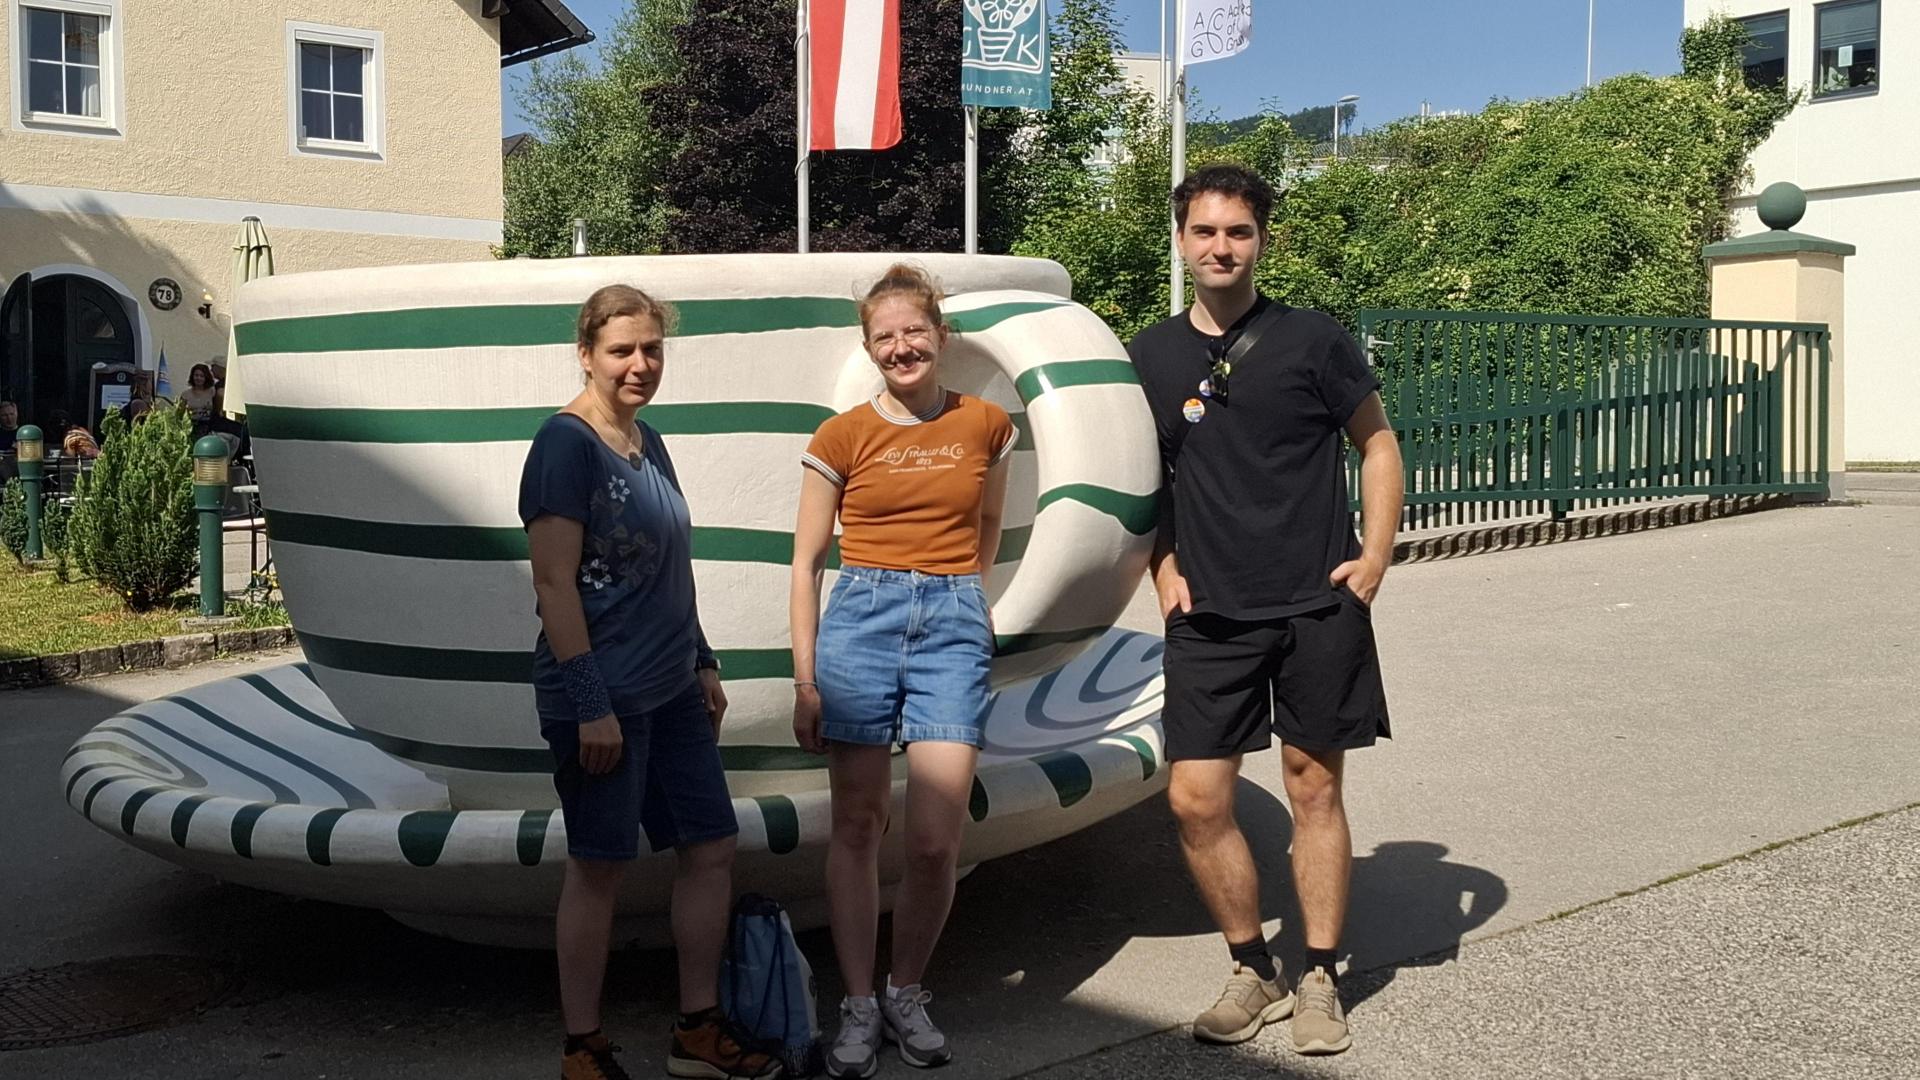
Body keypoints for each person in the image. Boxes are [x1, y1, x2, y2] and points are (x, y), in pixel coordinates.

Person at [1127, 163, 1404, 1057]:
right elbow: (1143, 481)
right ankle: (1254, 967)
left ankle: (1320, 973)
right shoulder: (1150, 356)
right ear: (1180, 239)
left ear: (1261, 241)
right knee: (1197, 797)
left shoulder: (1313, 339)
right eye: (1205, 231)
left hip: (1315, 605)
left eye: (1237, 232)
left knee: (1313, 786)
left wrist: (1374, 558)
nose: (1220, 247)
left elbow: (1379, 443)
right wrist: (1162, 568)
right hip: (1209, 614)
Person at [518, 284, 781, 1080]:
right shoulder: (564, 446)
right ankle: (583, 1047)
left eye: (652, 349)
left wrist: (702, 660)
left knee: (711, 846)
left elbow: (671, 564)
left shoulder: (648, 442)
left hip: (671, 691)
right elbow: (554, 585)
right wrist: (594, 707)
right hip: (601, 703)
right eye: (622, 350)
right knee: (599, 866)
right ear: (586, 353)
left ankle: (697, 1031)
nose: (640, 365)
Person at [790, 264, 1015, 1078]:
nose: (901, 346)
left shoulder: (986, 423)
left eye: (913, 330)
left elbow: (989, 520)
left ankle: (906, 989)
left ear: (940, 335)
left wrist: (966, 598)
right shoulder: (841, 436)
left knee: (932, 837)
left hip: (952, 622)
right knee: (856, 826)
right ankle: (857, 1003)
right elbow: (808, 561)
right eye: (884, 335)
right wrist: (806, 679)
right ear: (868, 347)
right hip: (860, 621)